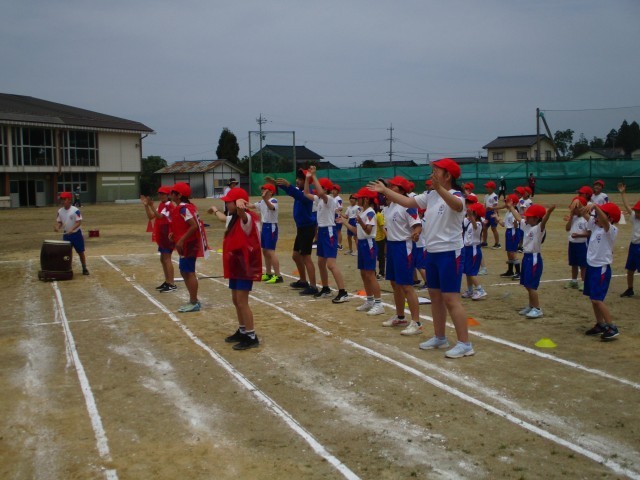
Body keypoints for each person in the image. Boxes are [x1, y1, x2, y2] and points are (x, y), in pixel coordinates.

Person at [371, 159, 474, 358]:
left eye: (436, 171)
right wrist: (385, 190)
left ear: (448, 176)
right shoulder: (431, 195)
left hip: (450, 252)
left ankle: (465, 343)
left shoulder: (456, 195)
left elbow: (457, 205)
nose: (432, 173)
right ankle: (440, 337)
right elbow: (407, 202)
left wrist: (439, 189)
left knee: (451, 299)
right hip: (432, 251)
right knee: (435, 296)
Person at [369, 175, 423, 335]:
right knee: (394, 283)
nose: (390, 188)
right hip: (392, 246)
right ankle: (400, 317)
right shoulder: (389, 206)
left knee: (406, 285)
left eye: (393, 186)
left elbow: (417, 224)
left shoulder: (408, 206)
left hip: (403, 246)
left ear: (401, 189)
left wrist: (416, 232)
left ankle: (417, 322)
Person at [219, 187, 262, 350]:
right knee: (236, 300)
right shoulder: (233, 218)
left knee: (242, 301)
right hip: (236, 264)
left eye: (229, 202)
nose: (226, 205)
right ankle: (242, 329)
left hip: (245, 265)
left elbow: (244, 217)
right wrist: (215, 211)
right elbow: (227, 218)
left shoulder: (247, 218)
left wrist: (240, 207)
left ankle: (251, 336)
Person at [303, 167, 350, 303]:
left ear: (325, 189)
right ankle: (325, 288)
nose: (315, 189)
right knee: (321, 262)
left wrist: (314, 176)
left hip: (329, 231)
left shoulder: (329, 199)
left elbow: (321, 193)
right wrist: (307, 178)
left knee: (331, 264)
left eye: (319, 187)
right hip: (322, 232)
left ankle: (343, 292)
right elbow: (306, 193)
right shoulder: (319, 199)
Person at [507, 201, 555, 319]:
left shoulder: (539, 228)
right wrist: (511, 207)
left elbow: (544, 221)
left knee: (531, 285)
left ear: (536, 218)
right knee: (527, 284)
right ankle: (531, 305)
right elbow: (518, 218)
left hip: (534, 259)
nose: (526, 218)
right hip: (527, 258)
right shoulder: (526, 225)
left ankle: (537, 309)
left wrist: (549, 212)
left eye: (529, 216)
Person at [582, 202, 621, 340]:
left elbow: (604, 220)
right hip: (592, 267)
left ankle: (612, 326)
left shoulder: (611, 230)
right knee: (593, 299)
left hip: (601, 269)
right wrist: (578, 203)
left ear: (610, 218)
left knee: (597, 299)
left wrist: (595, 206)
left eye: (599, 215)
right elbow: (584, 213)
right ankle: (600, 324)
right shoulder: (595, 226)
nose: (596, 217)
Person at [343, 186, 384, 315]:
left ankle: (378, 303)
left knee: (370, 274)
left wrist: (360, 222)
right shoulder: (362, 212)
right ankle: (370, 300)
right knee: (363, 273)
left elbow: (369, 231)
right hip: (361, 243)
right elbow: (357, 231)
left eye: (359, 198)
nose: (357, 200)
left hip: (368, 244)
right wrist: (344, 222)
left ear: (366, 199)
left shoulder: (370, 212)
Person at [276, 170, 318, 296]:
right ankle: (303, 281)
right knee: (296, 255)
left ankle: (313, 286)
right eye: (298, 178)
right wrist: (279, 184)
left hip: (307, 228)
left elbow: (298, 195)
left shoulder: (309, 194)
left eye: (300, 179)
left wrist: (288, 186)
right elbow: (293, 192)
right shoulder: (300, 191)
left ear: (307, 182)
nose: (297, 181)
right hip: (301, 228)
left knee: (306, 257)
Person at [169, 182, 209, 312]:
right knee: (184, 271)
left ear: (179, 195)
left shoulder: (184, 209)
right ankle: (193, 300)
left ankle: (194, 301)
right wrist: (175, 235)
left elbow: (193, 226)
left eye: (173, 192)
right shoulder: (185, 207)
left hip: (188, 244)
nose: (170, 194)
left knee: (189, 272)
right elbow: (184, 225)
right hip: (187, 243)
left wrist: (181, 240)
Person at [141, 185, 176, 292]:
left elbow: (160, 216)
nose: (160, 196)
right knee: (163, 259)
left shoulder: (169, 205)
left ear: (168, 195)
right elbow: (151, 217)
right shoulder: (162, 205)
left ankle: (171, 283)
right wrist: (146, 206)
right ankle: (167, 281)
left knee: (167, 258)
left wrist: (151, 206)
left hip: (167, 234)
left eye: (163, 194)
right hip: (162, 234)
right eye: (159, 194)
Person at [55, 191, 89, 275]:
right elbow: (60, 222)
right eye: (61, 199)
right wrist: (57, 227)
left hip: (76, 234)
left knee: (80, 252)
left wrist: (72, 229)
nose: (62, 201)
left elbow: (79, 222)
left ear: (69, 200)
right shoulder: (60, 211)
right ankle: (67, 268)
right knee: (66, 253)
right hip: (66, 235)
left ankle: (84, 268)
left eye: (64, 199)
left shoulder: (75, 210)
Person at [254, 183, 282, 284]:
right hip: (265, 227)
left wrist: (264, 199)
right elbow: (252, 206)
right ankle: (269, 273)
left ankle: (278, 276)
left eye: (265, 189)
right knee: (265, 251)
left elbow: (271, 207)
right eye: (262, 189)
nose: (262, 191)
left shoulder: (273, 200)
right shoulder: (262, 201)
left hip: (271, 227)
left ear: (271, 192)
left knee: (271, 251)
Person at [618, 182, 640, 298]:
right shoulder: (635, 218)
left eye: (638, 211)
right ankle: (630, 289)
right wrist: (623, 194)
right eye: (636, 211)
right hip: (633, 246)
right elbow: (627, 207)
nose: (636, 213)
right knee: (630, 269)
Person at [461, 202, 487, 300]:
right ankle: (470, 290)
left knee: (471, 272)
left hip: (473, 250)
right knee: (467, 271)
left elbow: (475, 226)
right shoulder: (468, 222)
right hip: (467, 249)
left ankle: (480, 290)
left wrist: (471, 216)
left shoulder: (479, 223)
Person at [564, 195, 589, 291]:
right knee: (573, 264)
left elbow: (589, 233)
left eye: (575, 208)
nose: (574, 210)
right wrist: (571, 217)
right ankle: (574, 281)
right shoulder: (573, 217)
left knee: (583, 265)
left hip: (581, 244)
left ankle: (584, 282)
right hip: (572, 243)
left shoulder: (586, 219)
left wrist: (578, 235)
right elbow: (567, 228)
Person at [499, 194, 523, 279]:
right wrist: (497, 219)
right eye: (506, 202)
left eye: (508, 202)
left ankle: (518, 272)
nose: (506, 203)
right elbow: (504, 224)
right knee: (509, 252)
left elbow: (515, 225)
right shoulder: (508, 212)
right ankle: (510, 271)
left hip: (513, 232)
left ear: (514, 204)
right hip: (509, 232)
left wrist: (516, 224)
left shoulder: (514, 212)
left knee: (512, 252)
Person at [481, 180, 501, 249]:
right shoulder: (486, 196)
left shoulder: (494, 196)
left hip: (492, 213)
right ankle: (484, 242)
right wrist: (483, 214)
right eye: (486, 187)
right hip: (487, 213)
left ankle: (497, 243)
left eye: (488, 187)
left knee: (493, 228)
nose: (486, 188)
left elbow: (495, 206)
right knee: (484, 227)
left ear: (492, 188)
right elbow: (485, 205)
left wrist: (496, 215)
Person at [374, 194, 387, 280]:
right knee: (374, 257)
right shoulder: (371, 214)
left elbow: (382, 227)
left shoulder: (379, 215)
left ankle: (382, 273)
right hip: (373, 239)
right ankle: (374, 272)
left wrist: (387, 236)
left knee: (381, 257)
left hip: (380, 239)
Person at [330, 184, 344, 250]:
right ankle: (335, 243)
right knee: (334, 230)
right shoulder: (332, 198)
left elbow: (341, 207)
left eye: (335, 190)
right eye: (333, 189)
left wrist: (335, 210)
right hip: (333, 216)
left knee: (338, 231)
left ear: (338, 191)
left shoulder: (338, 198)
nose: (333, 191)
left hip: (337, 216)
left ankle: (339, 245)